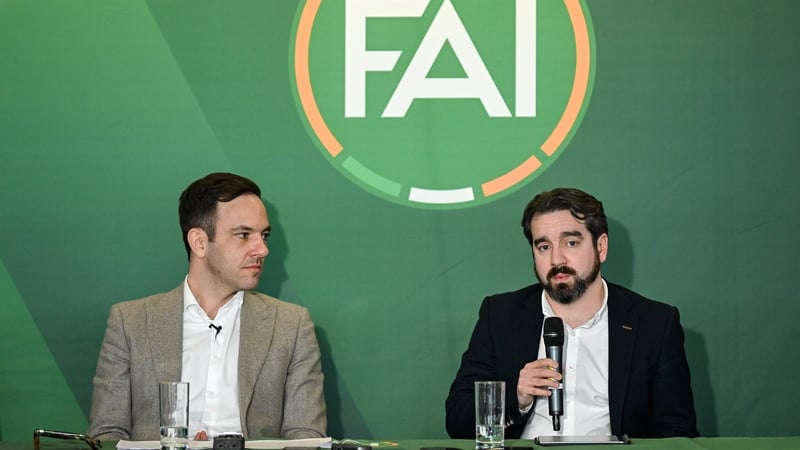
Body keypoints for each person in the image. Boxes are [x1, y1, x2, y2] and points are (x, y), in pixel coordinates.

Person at [88, 172, 326, 440]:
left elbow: (307, 437)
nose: (262, 250)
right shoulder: (129, 323)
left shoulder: (292, 326)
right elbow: (107, 435)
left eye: (264, 235)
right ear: (199, 242)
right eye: (244, 234)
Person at [445, 188, 698, 439]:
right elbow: (458, 420)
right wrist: (516, 397)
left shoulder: (655, 323)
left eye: (571, 242)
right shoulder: (500, 315)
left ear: (601, 247)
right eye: (544, 246)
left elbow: (676, 430)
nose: (557, 259)